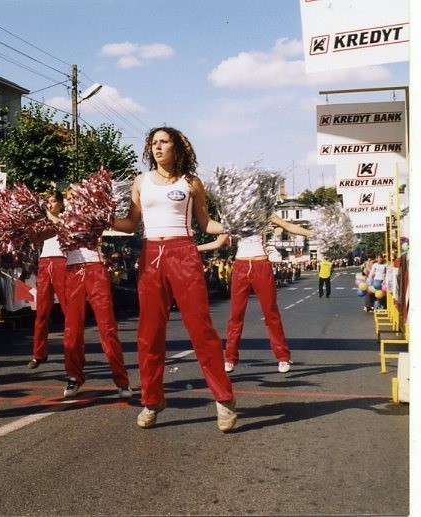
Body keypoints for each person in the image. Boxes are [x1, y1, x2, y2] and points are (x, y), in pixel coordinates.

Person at [112, 126, 236, 432]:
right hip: (151, 255)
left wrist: (237, 224)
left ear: (177, 147)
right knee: (149, 333)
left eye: (164, 142)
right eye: (153, 143)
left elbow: (205, 223)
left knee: (201, 328)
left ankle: (223, 400)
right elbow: (130, 224)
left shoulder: (191, 182)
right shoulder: (140, 182)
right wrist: (99, 219)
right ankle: (152, 401)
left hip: (183, 252)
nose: (157, 147)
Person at [198, 214, 312, 374]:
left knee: (271, 312)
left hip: (261, 265)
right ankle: (230, 357)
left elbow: (290, 227)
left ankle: (283, 357)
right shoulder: (234, 217)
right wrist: (194, 248)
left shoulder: (265, 213)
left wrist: (313, 234)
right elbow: (218, 243)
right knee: (236, 315)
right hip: (240, 266)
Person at [61, 236, 132, 399]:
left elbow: (99, 226)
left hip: (95, 268)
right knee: (72, 329)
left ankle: (121, 380)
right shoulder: (59, 214)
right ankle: (74, 377)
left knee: (107, 327)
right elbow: (38, 237)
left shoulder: (91, 209)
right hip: (72, 271)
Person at [26, 190, 68, 369]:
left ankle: (74, 352)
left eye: (52, 201)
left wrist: (48, 216)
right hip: (45, 262)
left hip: (62, 262)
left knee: (69, 310)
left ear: (60, 203)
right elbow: (34, 240)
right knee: (41, 311)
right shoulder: (41, 221)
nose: (49, 204)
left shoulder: (66, 218)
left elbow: (61, 226)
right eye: (47, 201)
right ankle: (38, 353)